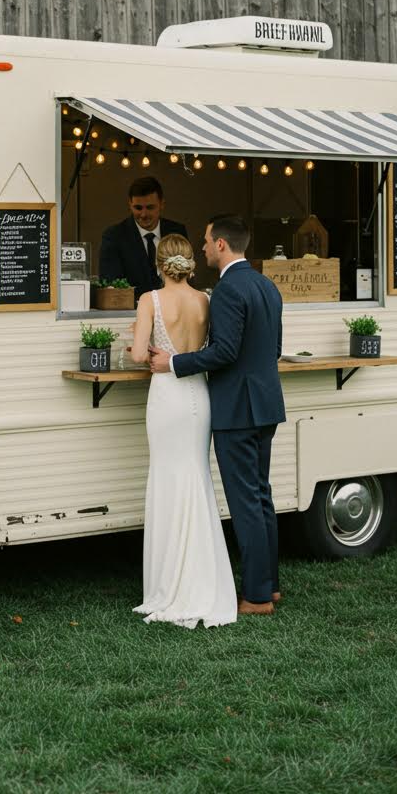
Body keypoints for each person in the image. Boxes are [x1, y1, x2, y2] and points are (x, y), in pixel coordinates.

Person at [149, 215, 285, 616]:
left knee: (245, 503)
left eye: (207, 241)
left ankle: (257, 597)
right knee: (261, 497)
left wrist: (174, 363)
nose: (203, 248)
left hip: (237, 410)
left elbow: (224, 352)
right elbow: (273, 348)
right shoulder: (266, 285)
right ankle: (270, 585)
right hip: (266, 404)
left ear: (222, 245)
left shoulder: (226, 291)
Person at [130, 233, 237, 629]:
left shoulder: (149, 300)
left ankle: (169, 586)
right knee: (196, 478)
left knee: (167, 478)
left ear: (159, 263)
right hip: (198, 392)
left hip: (167, 397)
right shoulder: (205, 300)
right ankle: (202, 579)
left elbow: (141, 355)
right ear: (190, 262)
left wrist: (134, 342)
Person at [98, 177, 187, 301]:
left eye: (150, 207)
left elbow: (186, 277)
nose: (144, 214)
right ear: (130, 204)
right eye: (138, 208)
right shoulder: (114, 236)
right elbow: (110, 285)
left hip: (174, 308)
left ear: (162, 204)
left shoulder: (177, 231)